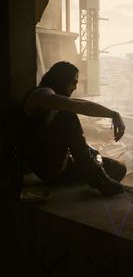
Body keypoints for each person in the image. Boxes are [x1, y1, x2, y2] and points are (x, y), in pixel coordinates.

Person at [20, 61, 127, 196]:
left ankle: (94, 174)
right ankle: (98, 178)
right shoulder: (42, 94)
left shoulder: (50, 98)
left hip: (61, 164)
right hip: (47, 166)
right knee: (67, 115)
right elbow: (77, 105)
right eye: (74, 82)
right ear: (62, 79)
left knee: (118, 168)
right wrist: (112, 114)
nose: (75, 87)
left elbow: (78, 104)